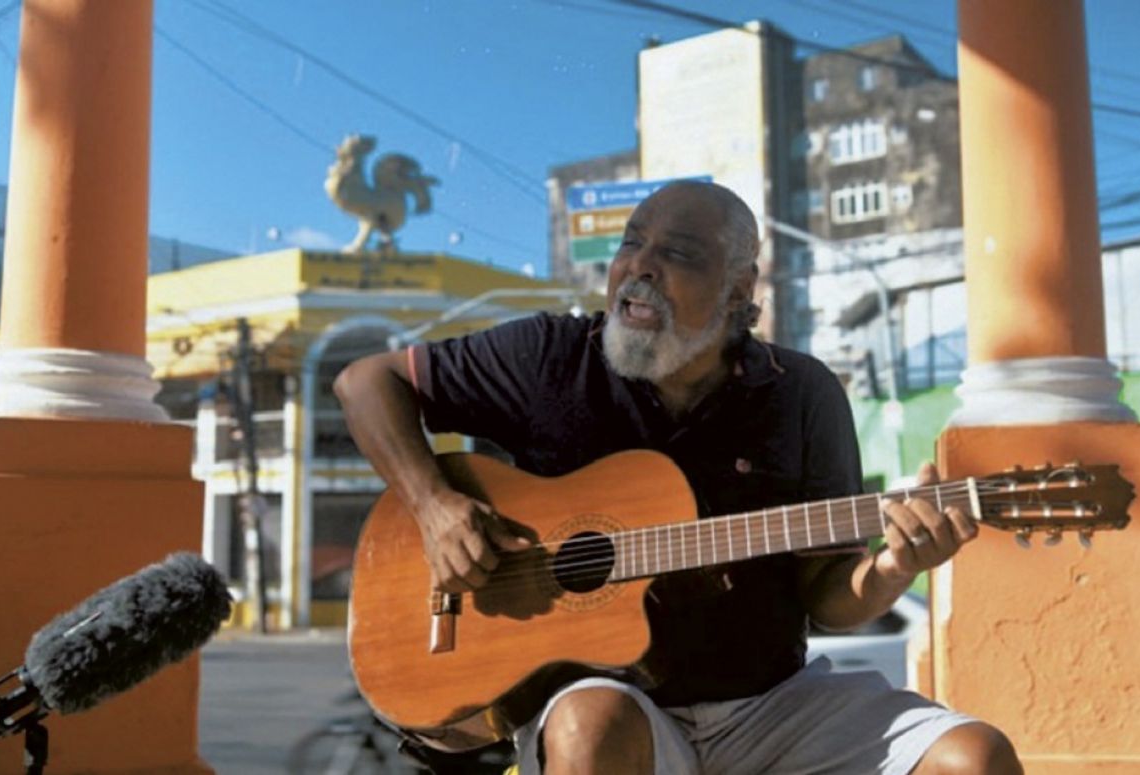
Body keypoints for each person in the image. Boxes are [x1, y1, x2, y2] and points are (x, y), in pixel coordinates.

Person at [335, 180, 1022, 775]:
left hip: (771, 704)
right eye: (633, 243)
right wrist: (433, 505)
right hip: (610, 702)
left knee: (974, 756)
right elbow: (366, 382)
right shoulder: (549, 357)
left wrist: (896, 565)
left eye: (678, 254)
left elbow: (828, 597)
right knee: (588, 726)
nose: (640, 266)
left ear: (738, 289)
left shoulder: (802, 393)